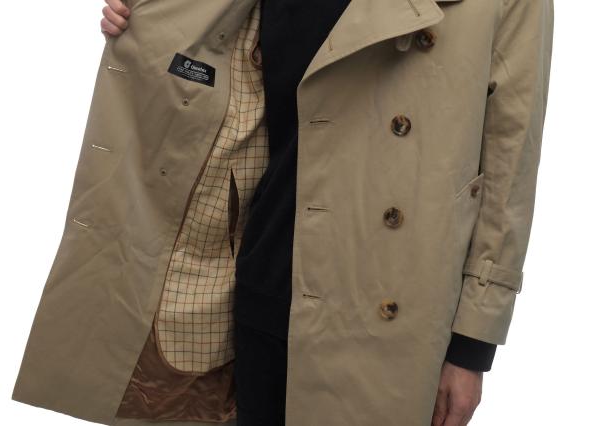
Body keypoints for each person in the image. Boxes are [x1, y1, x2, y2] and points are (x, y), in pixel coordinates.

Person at [96, 0, 542, 425]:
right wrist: (153, 25)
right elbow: (216, 77)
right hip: (260, 287)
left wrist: (472, 346)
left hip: (387, 316)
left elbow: (511, 165)